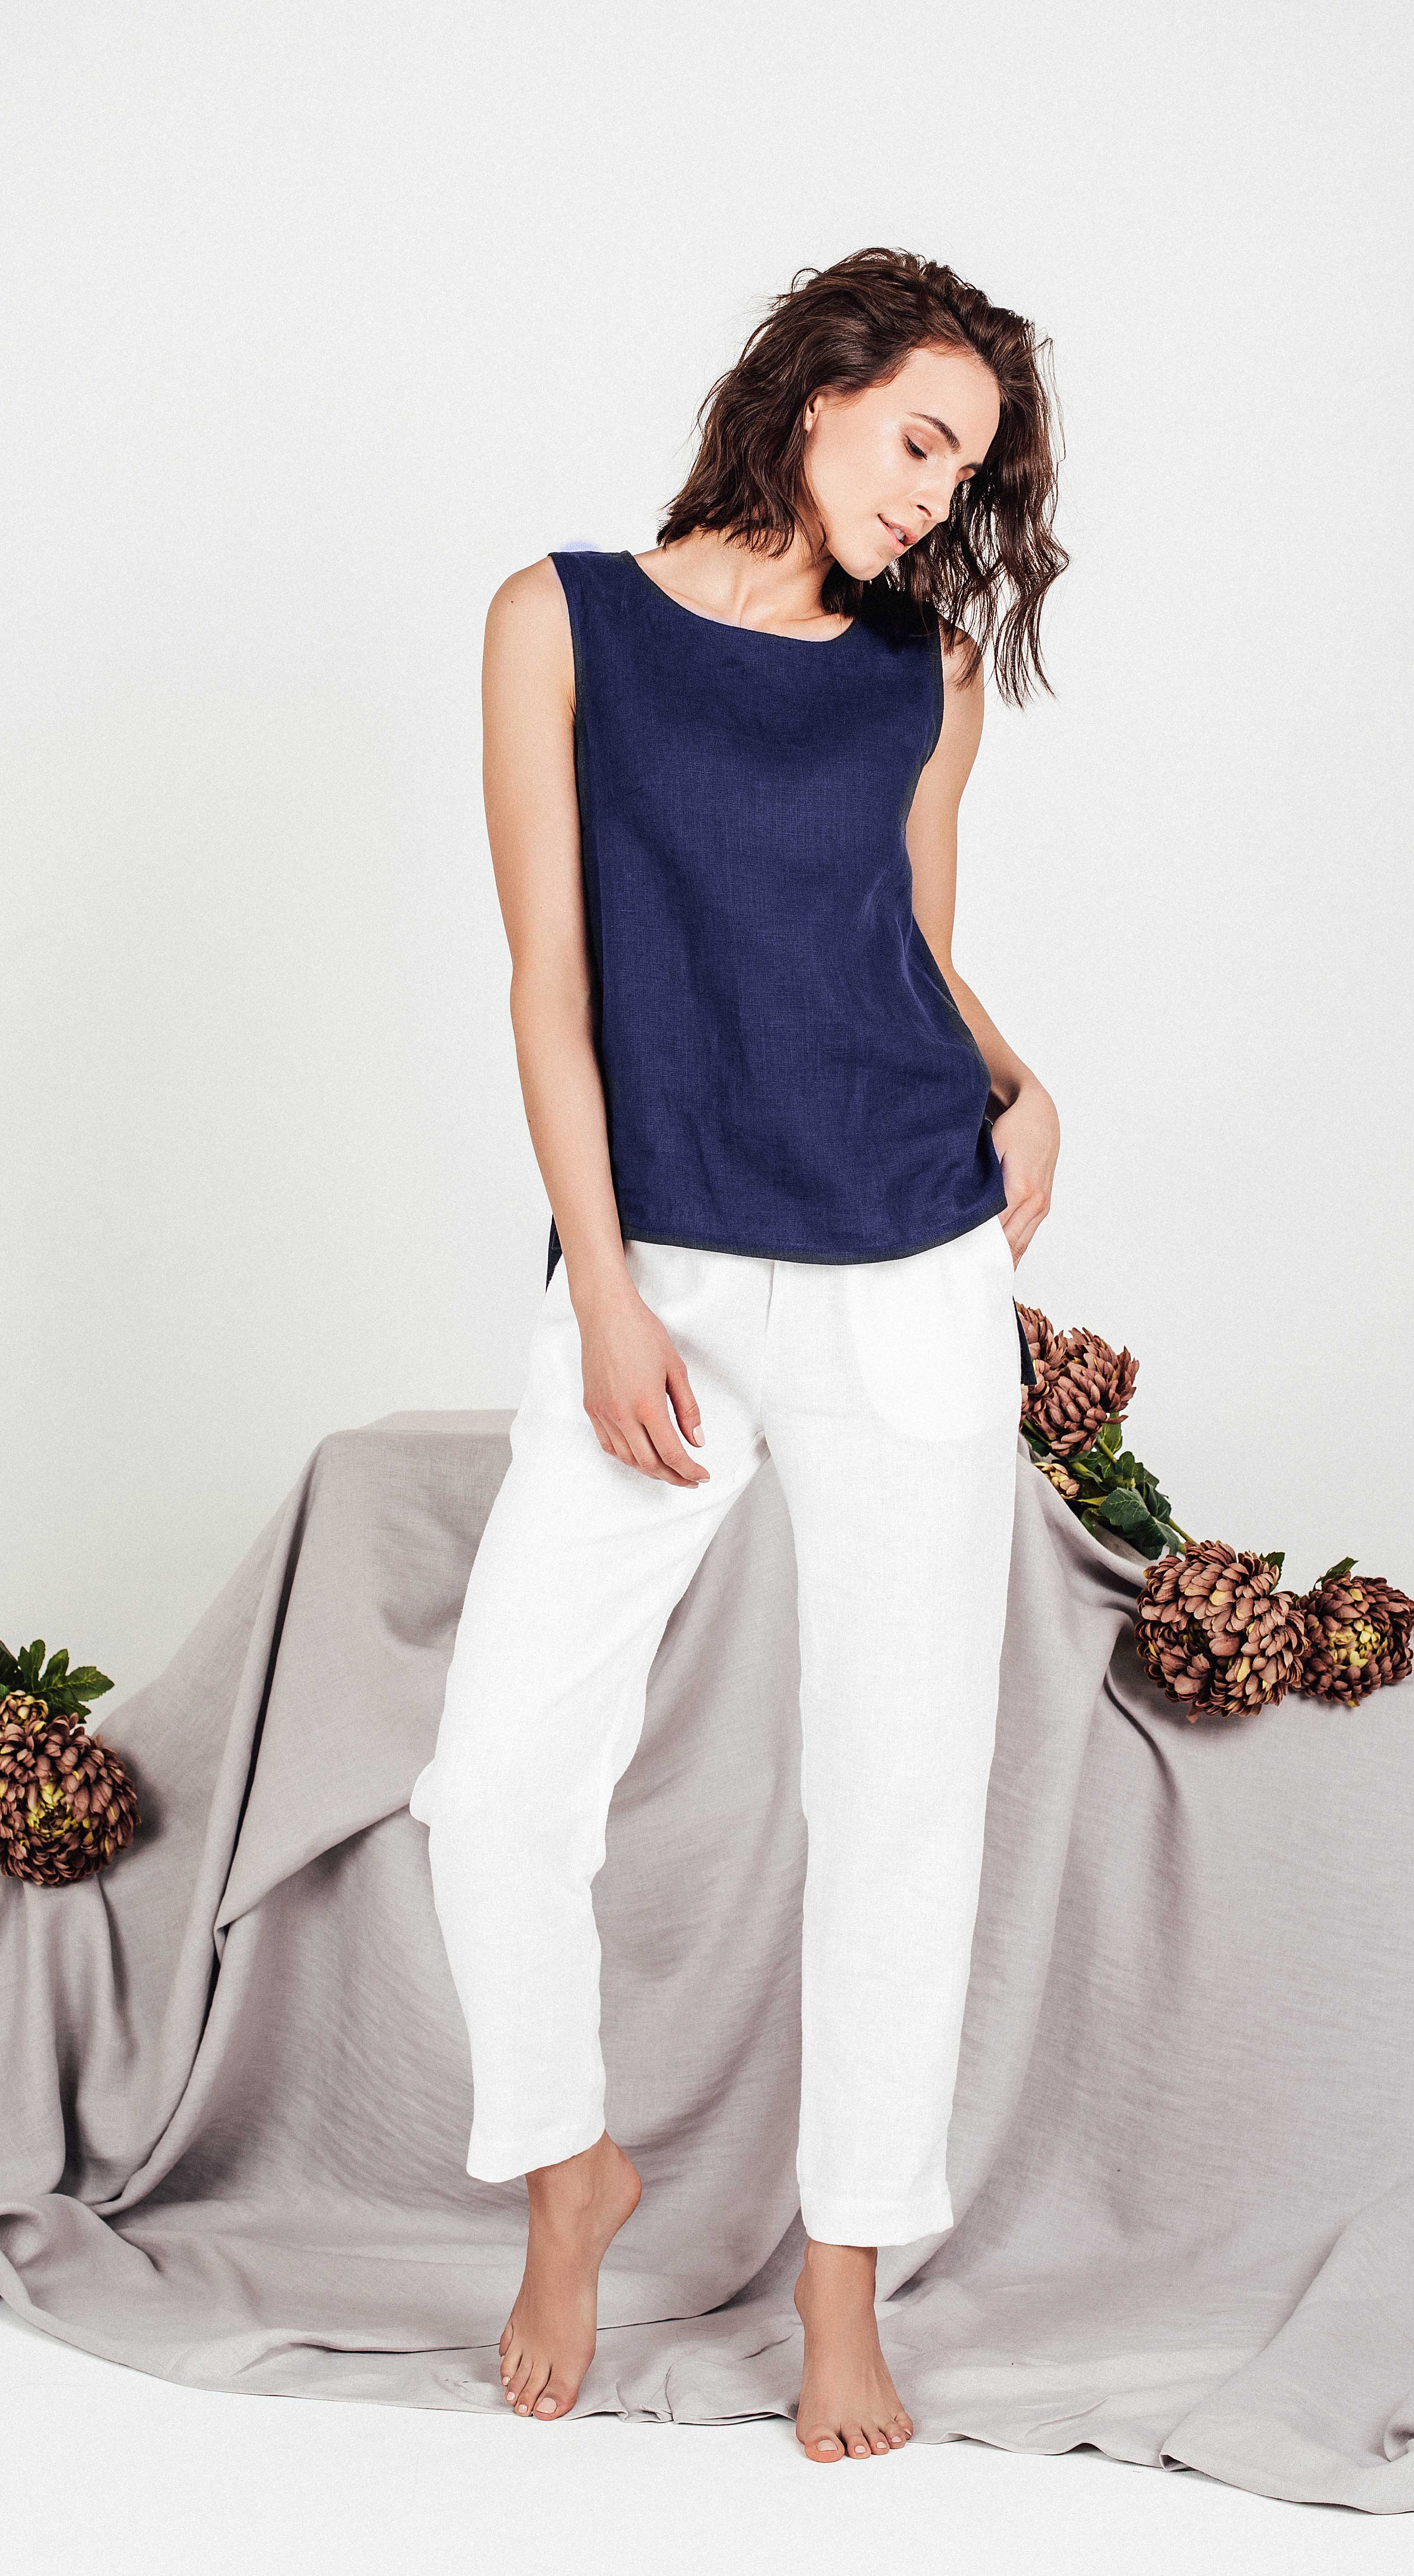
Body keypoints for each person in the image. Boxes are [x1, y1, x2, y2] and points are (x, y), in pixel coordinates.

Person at [408, 246, 1066, 2464]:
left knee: (896, 1788)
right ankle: (569, 2168)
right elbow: (549, 987)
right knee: (496, 1773)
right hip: (665, 1266)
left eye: (964, 470)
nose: (930, 494)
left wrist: (1020, 1075)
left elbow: (901, 942)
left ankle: (842, 2277)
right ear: (815, 391)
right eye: (916, 439)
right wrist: (601, 1290)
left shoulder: (926, 675)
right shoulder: (560, 619)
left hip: (908, 1257)